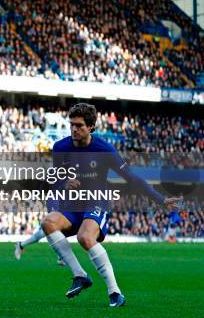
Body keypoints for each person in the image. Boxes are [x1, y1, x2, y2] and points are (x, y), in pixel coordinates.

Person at [40, 103, 181, 307]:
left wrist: (160, 199)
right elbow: (55, 179)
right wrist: (63, 183)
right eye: (72, 125)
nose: (74, 129)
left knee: (85, 237)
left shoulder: (104, 149)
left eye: (79, 125)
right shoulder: (60, 148)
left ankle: (115, 293)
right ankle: (80, 275)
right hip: (71, 206)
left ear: (91, 127)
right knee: (47, 222)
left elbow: (131, 178)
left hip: (96, 202)